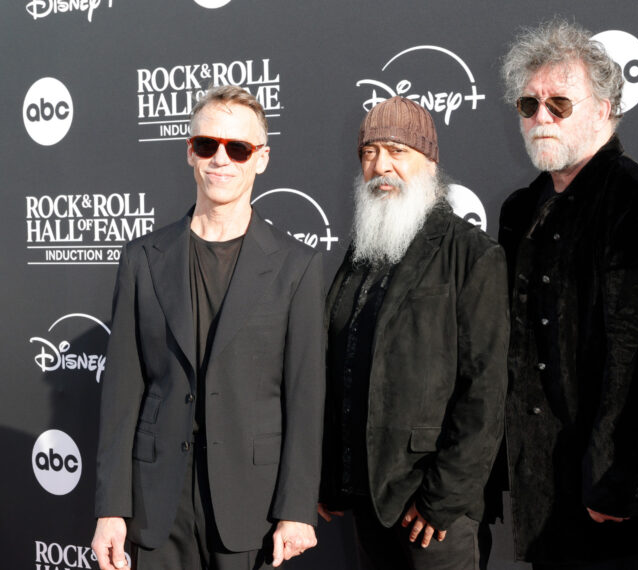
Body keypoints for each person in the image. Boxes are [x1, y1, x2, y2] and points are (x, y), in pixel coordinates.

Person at [91, 85, 325, 570]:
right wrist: (111, 509)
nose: (221, 159)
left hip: (252, 506)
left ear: (261, 159)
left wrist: (297, 510)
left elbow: (305, 400)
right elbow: (121, 394)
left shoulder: (296, 266)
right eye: (206, 144)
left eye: (238, 148)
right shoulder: (142, 258)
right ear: (189, 152)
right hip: (158, 504)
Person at [496, 19, 638, 569]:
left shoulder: (636, 199)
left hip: (607, 492)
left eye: (560, 104)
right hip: (538, 481)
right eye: (529, 105)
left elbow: (636, 352)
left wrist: (615, 476)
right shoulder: (520, 209)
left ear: (604, 110)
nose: (541, 117)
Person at [317, 96, 509, 570]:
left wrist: (442, 498)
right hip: (368, 501)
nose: (381, 166)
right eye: (369, 153)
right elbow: (341, 365)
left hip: (433, 511)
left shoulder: (472, 254)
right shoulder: (362, 253)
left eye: (397, 151)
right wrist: (330, 475)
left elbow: (485, 392)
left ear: (430, 162)